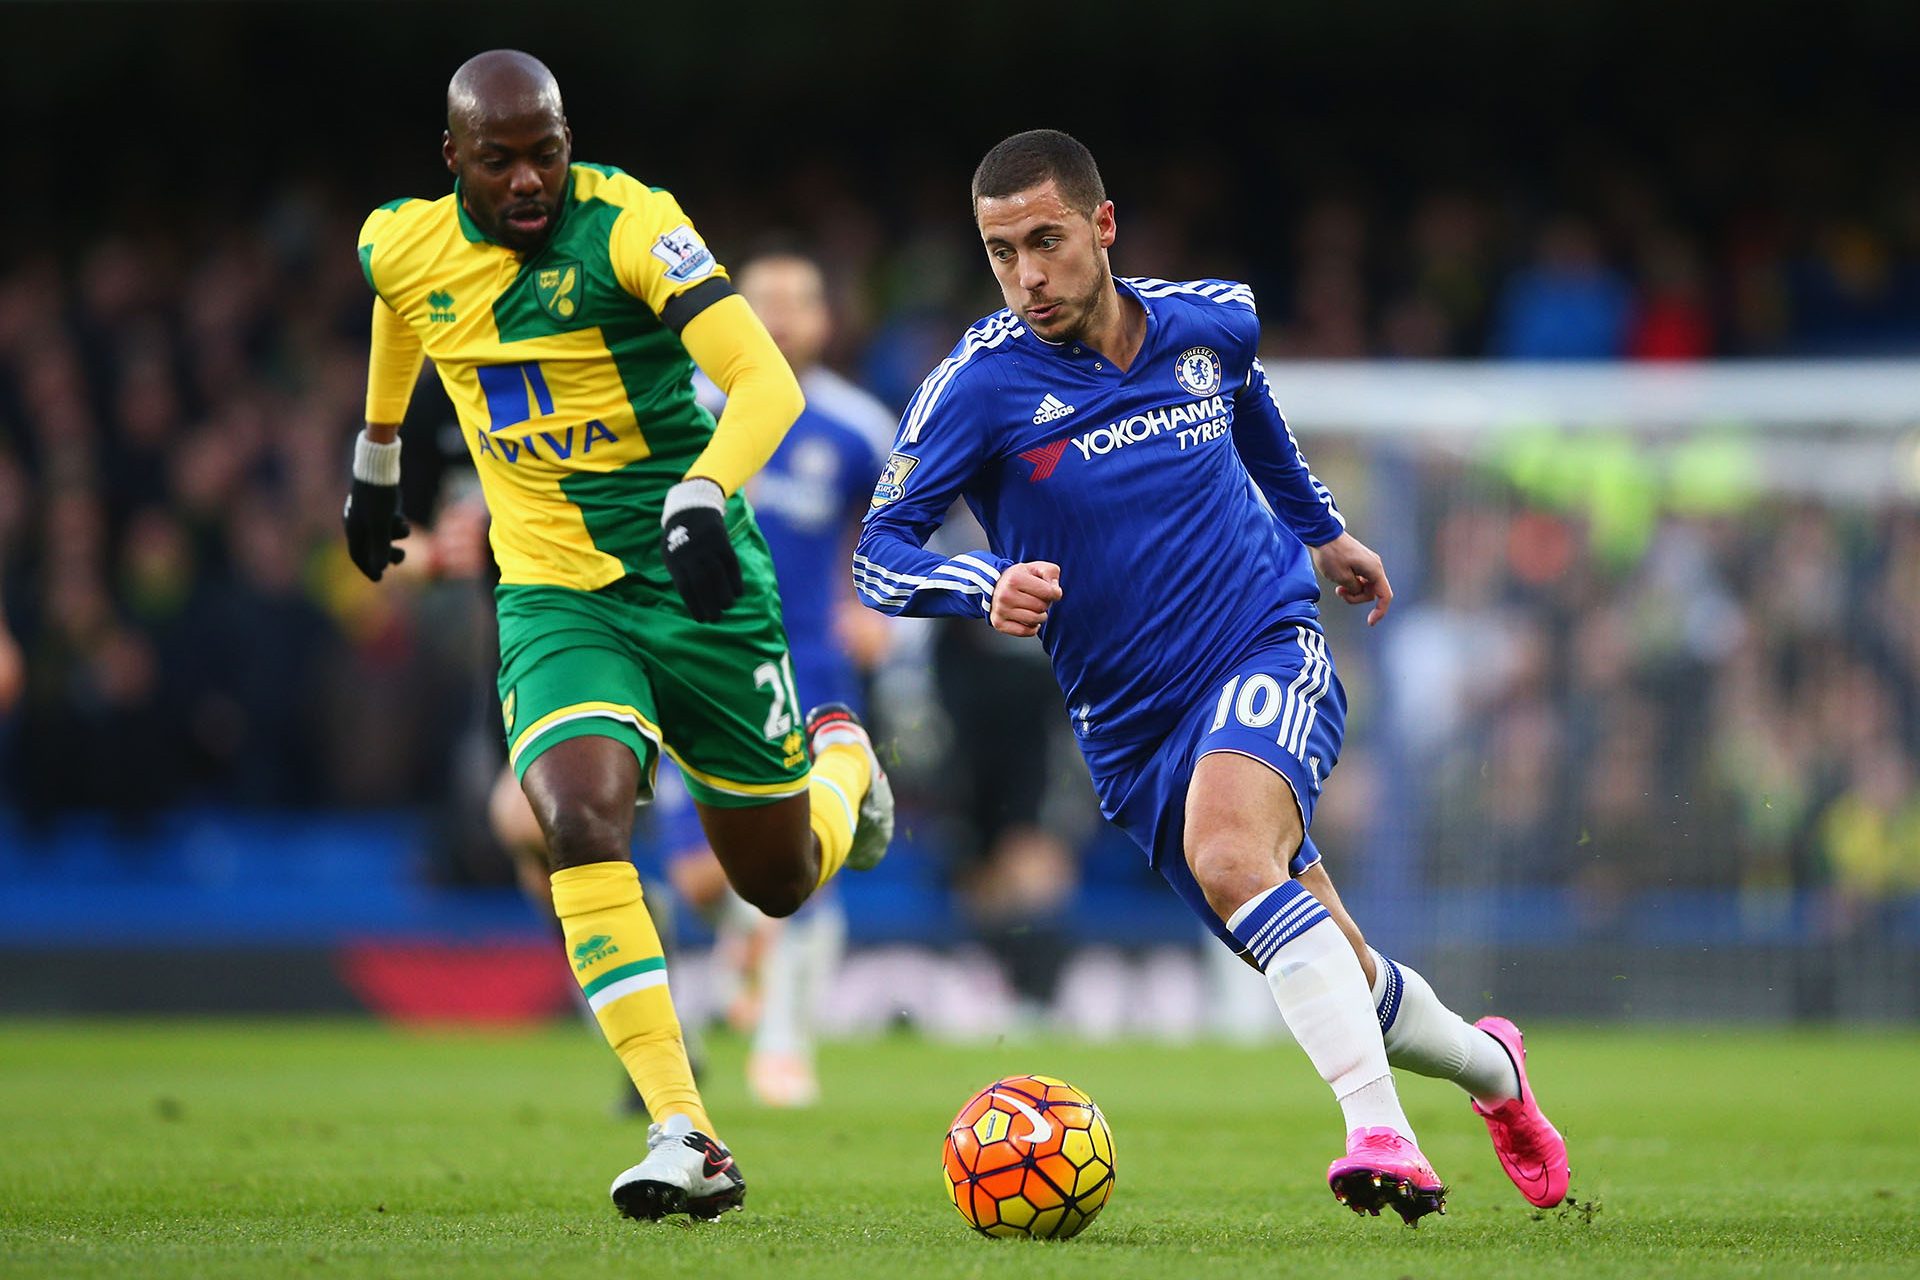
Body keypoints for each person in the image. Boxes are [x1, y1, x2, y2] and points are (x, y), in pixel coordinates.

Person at [854, 129, 1569, 1225]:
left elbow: (1249, 407)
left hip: (1263, 640)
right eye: (1002, 252)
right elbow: (879, 550)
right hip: (1131, 729)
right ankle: (1498, 1074)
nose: (1028, 275)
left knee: (1231, 850)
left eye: (1046, 240)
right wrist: (977, 583)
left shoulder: (1210, 317)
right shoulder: (980, 385)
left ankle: (1379, 1133)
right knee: (1343, 966)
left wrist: (1321, 534)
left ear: (1102, 226)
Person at [345, 49, 893, 1223]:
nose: (533, 178)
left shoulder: (633, 225)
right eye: (502, 161)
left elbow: (766, 385)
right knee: (576, 815)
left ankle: (846, 763)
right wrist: (377, 454)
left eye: (547, 150)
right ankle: (684, 1125)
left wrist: (701, 490)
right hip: (552, 592)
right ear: (455, 162)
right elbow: (401, 305)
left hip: (698, 586)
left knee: (780, 878)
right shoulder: (402, 239)